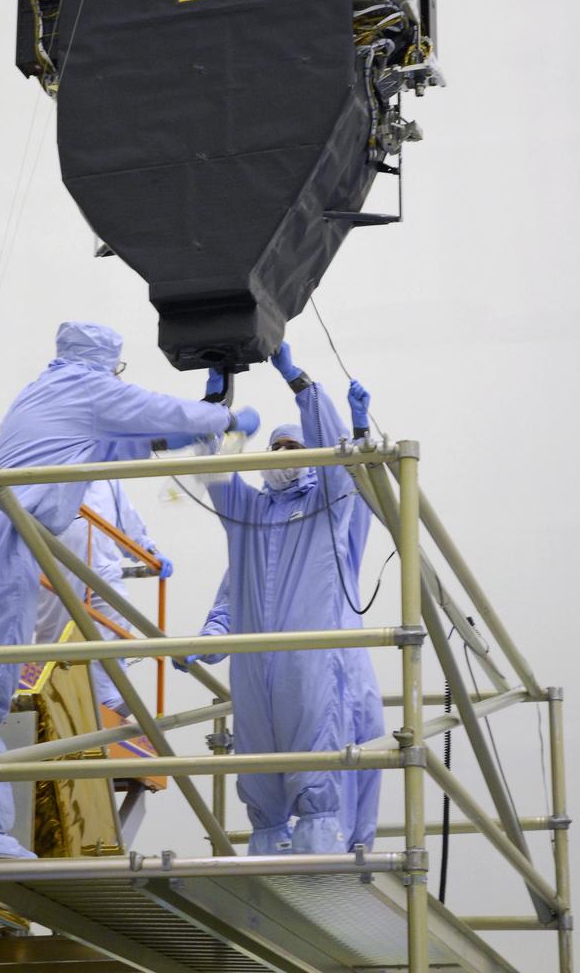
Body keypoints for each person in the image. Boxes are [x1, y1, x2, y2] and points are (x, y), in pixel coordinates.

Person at [0, 320, 259, 857]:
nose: (116, 377)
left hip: (8, 532)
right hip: (6, 531)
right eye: (116, 369)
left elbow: (135, 441)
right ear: (103, 362)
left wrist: (202, 419)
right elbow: (156, 412)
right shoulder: (84, 387)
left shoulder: (57, 392)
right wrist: (226, 418)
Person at [175, 343, 384, 855]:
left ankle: (322, 859)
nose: (282, 458)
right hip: (254, 667)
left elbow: (336, 456)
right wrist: (216, 405)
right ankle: (266, 853)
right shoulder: (248, 515)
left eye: (294, 449)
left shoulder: (327, 504)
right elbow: (216, 474)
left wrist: (299, 382)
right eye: (275, 450)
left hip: (309, 660)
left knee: (318, 764)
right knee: (259, 767)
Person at [35, 479, 173, 716]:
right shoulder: (49, 470)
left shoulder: (107, 479)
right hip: (58, 565)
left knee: (115, 623)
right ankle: (41, 694)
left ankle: (107, 697)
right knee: (56, 634)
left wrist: (150, 552)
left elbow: (127, 520)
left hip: (103, 567)